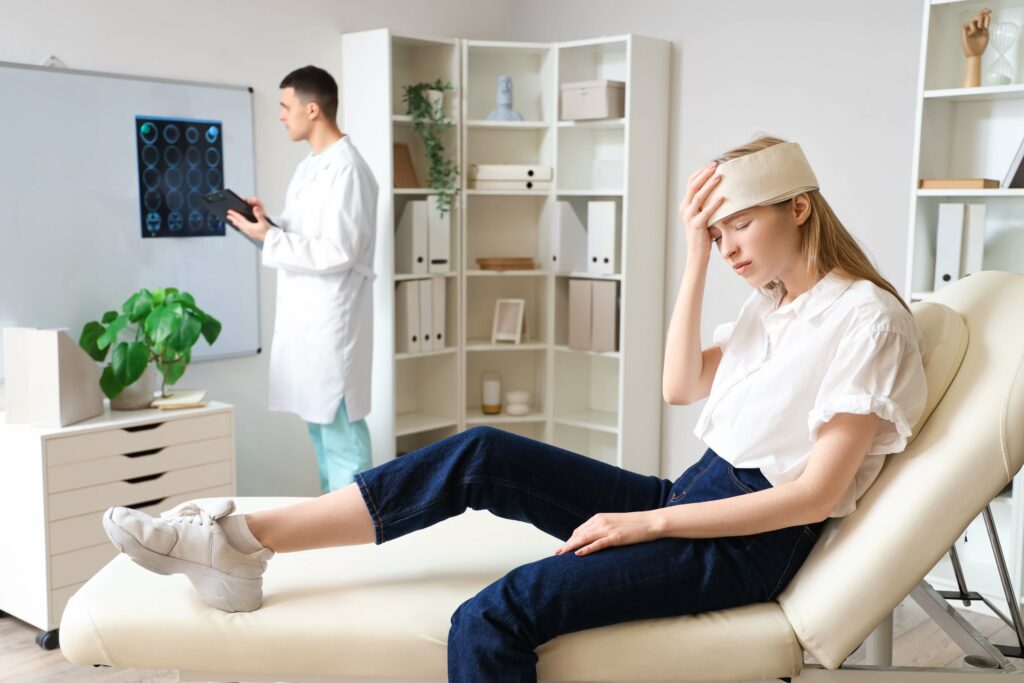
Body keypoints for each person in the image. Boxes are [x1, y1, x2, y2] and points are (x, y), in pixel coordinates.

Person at [103, 136, 927, 682]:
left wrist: (649, 526)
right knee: (481, 452)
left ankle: (240, 543)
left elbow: (816, 495)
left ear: (800, 209)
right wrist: (693, 262)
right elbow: (678, 386)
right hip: (693, 496)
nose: (733, 247)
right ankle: (244, 543)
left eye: (739, 226)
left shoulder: (867, 319)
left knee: (493, 617)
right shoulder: (774, 304)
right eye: (722, 234)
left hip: (744, 543)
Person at [226, 65, 378, 493]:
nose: (280, 116)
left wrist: (272, 237)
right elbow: (299, 233)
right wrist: (265, 225)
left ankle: (361, 534)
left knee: (344, 437)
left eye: (284, 106)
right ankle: (335, 528)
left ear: (312, 109)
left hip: (333, 320)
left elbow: (339, 249)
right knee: (321, 432)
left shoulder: (347, 170)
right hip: (309, 321)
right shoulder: (310, 167)